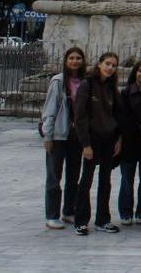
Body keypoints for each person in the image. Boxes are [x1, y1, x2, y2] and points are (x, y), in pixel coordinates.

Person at [73, 52, 122, 236]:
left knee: (105, 180)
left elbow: (118, 114)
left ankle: (103, 219)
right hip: (92, 138)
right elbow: (80, 116)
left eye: (114, 65)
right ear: (99, 64)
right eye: (107, 64)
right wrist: (85, 143)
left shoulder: (111, 87)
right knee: (86, 179)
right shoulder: (87, 85)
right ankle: (81, 220)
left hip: (109, 138)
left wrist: (118, 138)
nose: (110, 68)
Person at [42, 47, 87, 229]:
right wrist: (48, 134)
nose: (75, 61)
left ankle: (69, 211)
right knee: (54, 176)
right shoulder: (58, 81)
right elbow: (50, 110)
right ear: (66, 60)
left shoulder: (85, 81)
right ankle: (52, 214)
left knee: (73, 176)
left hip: (76, 136)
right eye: (71, 58)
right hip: (59, 134)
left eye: (78, 58)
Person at [117, 59, 141, 226]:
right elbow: (121, 118)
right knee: (127, 178)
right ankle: (125, 210)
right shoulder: (125, 93)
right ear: (135, 72)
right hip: (129, 141)